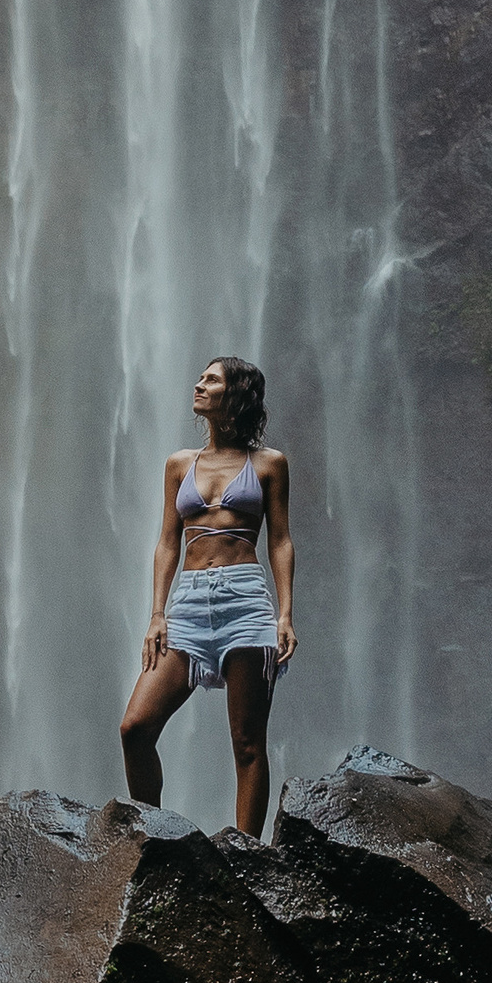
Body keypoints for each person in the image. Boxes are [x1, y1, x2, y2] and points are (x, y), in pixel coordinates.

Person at [117, 356, 296, 840]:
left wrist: (285, 615)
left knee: (247, 744)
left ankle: (246, 854)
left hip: (246, 601)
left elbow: (280, 541)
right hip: (188, 605)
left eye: (211, 379)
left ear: (234, 394)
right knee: (135, 728)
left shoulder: (269, 464)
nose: (198, 384)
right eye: (200, 377)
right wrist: (157, 614)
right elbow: (167, 543)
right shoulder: (180, 464)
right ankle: (153, 837)